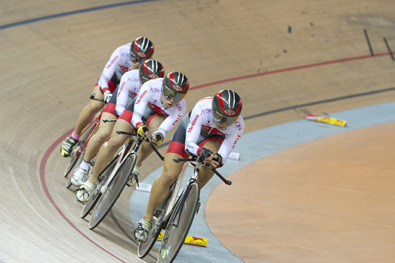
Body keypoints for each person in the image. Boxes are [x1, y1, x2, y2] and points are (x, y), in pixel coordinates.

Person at [133, 89, 244, 243]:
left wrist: (218, 159)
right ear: (213, 109)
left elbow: (224, 154)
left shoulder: (238, 125)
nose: (224, 123)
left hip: (212, 139)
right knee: (170, 175)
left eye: (229, 119)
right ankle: (146, 219)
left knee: (212, 162)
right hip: (187, 134)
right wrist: (200, 152)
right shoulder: (203, 108)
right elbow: (189, 144)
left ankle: (192, 193)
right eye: (220, 117)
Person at [76, 71, 190, 202]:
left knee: (156, 134)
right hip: (137, 111)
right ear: (163, 88)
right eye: (170, 94)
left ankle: (136, 164)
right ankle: (91, 180)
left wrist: (159, 134)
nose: (172, 100)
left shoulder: (181, 107)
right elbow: (136, 115)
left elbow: (164, 129)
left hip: (156, 118)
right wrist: (140, 126)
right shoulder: (151, 87)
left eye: (178, 97)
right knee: (114, 142)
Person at [70, 59, 165, 186]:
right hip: (121, 104)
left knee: (130, 139)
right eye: (145, 81)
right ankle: (83, 166)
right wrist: (127, 121)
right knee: (104, 133)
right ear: (139, 75)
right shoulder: (130, 77)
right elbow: (119, 107)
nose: (148, 85)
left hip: (139, 110)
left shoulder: (159, 91)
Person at [60, 36, 155, 158]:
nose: (137, 63)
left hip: (128, 87)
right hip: (114, 77)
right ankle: (74, 137)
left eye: (142, 61)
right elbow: (104, 79)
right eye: (135, 58)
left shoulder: (150, 68)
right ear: (130, 53)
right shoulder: (121, 52)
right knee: (95, 105)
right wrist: (106, 92)